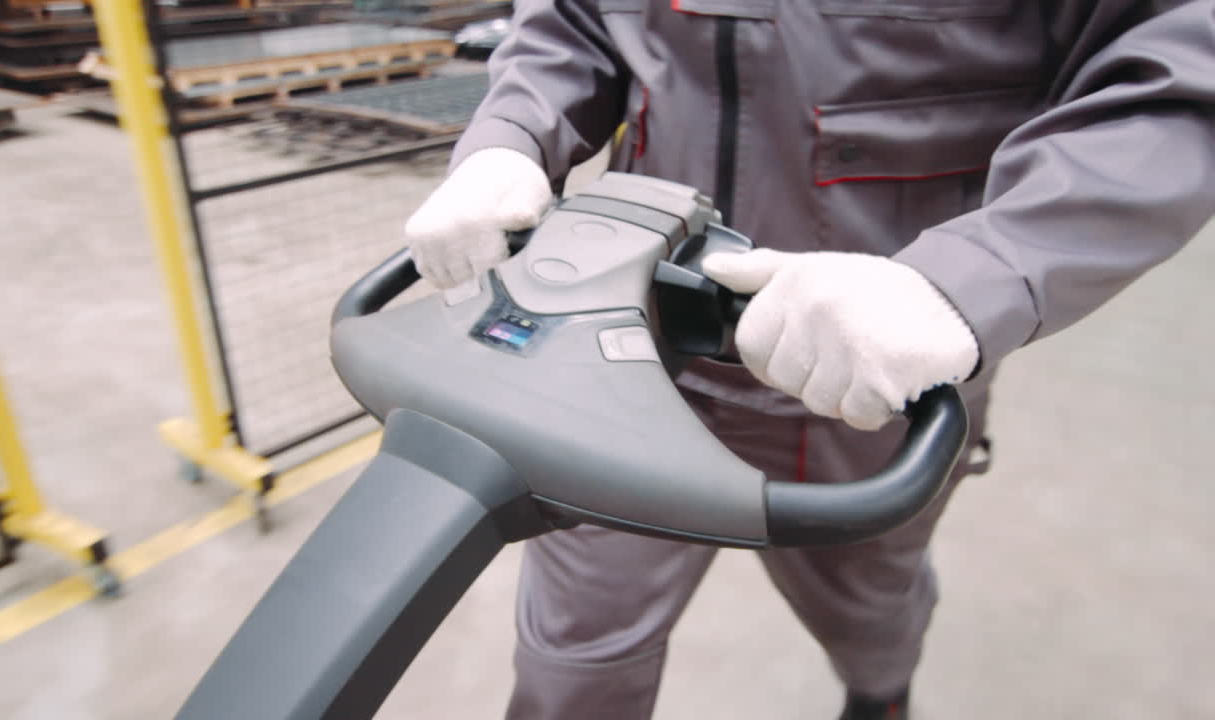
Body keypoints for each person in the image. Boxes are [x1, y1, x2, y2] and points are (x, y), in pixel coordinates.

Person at [402, 2, 1215, 718]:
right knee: (571, 655)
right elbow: (575, 22)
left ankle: (879, 692)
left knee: (866, 612)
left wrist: (981, 271)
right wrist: (509, 135)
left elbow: (1178, 79)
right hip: (618, 359)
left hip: (862, 381)